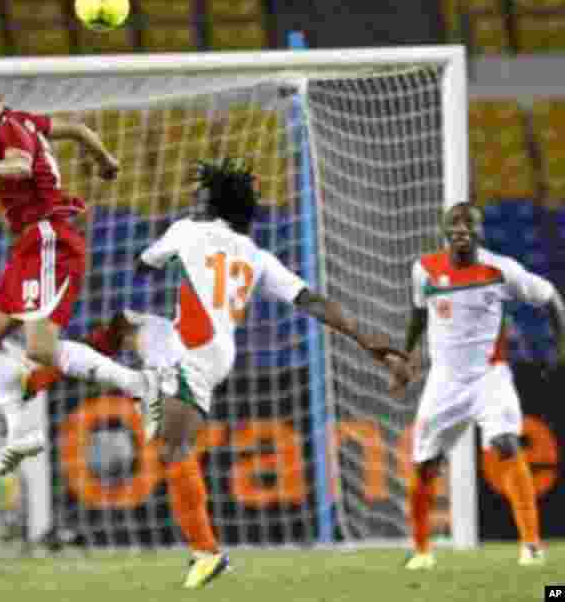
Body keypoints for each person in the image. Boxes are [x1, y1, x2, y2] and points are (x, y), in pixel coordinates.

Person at [129, 157, 406, 589]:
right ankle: (205, 551)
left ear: (214, 204)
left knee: (173, 447)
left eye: (198, 199)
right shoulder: (257, 255)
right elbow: (311, 300)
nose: (192, 204)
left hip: (194, 349)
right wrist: (366, 340)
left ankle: (207, 553)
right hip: (218, 350)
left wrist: (161, 261)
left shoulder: (185, 230)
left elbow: (143, 265)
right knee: (167, 435)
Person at [0, 66, 163, 479]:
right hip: (29, 245)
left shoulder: (10, 129)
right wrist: (105, 159)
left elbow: (21, 166)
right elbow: (78, 129)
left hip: (49, 238)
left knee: (41, 349)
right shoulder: (27, 121)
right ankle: (20, 434)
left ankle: (141, 385)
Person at [393, 202, 565, 570]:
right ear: (443, 229)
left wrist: (560, 345)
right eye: (454, 223)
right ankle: (422, 551)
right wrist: (405, 357)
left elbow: (549, 297)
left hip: (490, 376)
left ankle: (531, 545)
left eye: (469, 223)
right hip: (444, 380)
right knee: (426, 464)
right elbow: (419, 314)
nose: (461, 229)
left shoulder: (500, 270)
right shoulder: (423, 270)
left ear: (480, 231)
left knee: (505, 442)